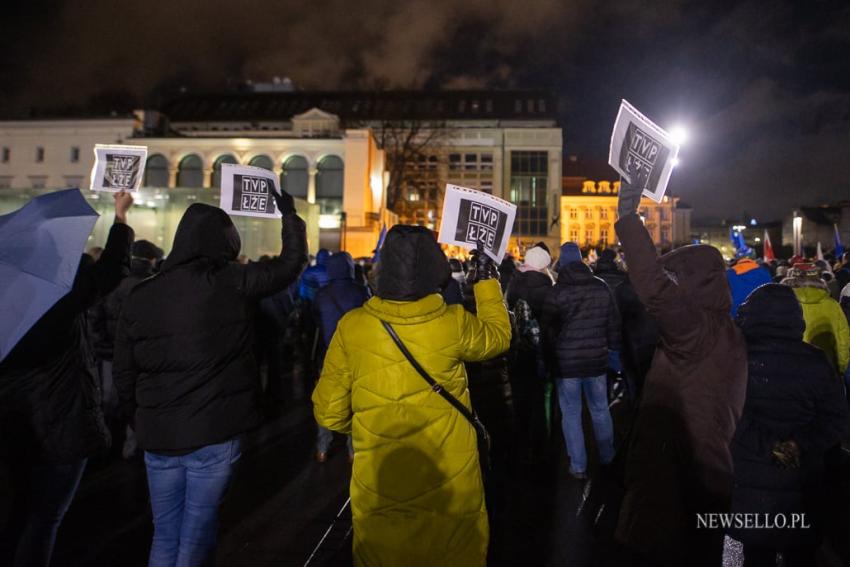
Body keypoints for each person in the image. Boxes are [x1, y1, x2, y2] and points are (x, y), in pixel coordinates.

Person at [113, 190, 307, 567]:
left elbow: (125, 369)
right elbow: (289, 266)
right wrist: (289, 216)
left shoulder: (141, 294)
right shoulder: (231, 281)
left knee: (165, 534)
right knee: (197, 534)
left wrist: (138, 419)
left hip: (159, 435)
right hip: (214, 432)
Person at [312, 225, 511, 566]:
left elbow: (329, 413)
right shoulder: (453, 323)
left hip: (381, 483)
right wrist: (486, 279)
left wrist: (365, 426)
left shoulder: (353, 326)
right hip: (451, 484)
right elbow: (498, 337)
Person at [614, 167, 748, 566]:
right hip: (704, 480)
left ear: (695, 283)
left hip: (676, 486)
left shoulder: (696, 330)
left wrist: (627, 214)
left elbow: (654, 289)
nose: (670, 282)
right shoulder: (724, 330)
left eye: (677, 276)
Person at [0, 191, 134, 567]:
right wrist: (120, 219)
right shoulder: (52, 293)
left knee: (19, 511)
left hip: (12, 426)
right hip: (60, 423)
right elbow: (111, 272)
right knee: (45, 518)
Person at [730, 284, 850, 566]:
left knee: (757, 556)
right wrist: (800, 444)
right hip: (802, 482)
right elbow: (836, 418)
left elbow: (729, 415)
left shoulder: (736, 362)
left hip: (752, 482)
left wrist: (769, 445)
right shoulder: (816, 361)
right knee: (801, 555)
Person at [541, 242, 621, 480]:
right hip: (596, 360)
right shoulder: (601, 287)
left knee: (572, 414)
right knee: (599, 410)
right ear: (582, 261)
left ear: (562, 264)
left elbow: (547, 333)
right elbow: (613, 324)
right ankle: (608, 457)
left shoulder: (556, 292)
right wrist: (614, 353)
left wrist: (545, 361)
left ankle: (578, 466)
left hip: (566, 366)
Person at [89, 239, 163, 459]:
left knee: (110, 400)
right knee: (138, 401)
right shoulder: (155, 286)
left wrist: (102, 343)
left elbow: (96, 316)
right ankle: (132, 447)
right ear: (151, 260)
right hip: (142, 356)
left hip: (110, 353)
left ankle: (107, 446)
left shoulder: (113, 282)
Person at [312, 252, 370, 463]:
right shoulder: (361, 291)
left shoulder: (322, 294)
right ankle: (353, 450)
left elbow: (315, 322)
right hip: (356, 355)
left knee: (327, 399)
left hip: (328, 355)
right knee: (354, 403)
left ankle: (322, 447)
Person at [781, 263, 850, 376]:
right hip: (825, 369)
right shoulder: (832, 305)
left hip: (791, 371)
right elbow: (842, 340)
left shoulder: (783, 303)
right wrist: (840, 368)